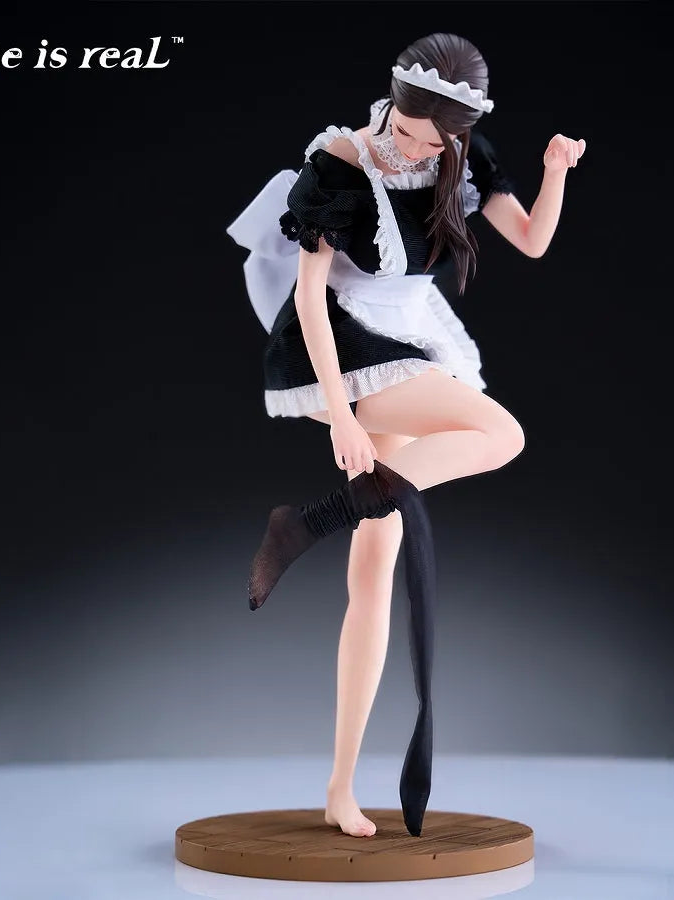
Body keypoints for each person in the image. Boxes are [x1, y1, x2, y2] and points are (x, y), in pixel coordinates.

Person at [226, 31, 585, 839]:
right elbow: (309, 300)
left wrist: (556, 172)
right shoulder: (341, 163)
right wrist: (342, 416)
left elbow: (532, 239)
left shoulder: (463, 152)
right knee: (501, 433)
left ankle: (339, 787)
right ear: (394, 100)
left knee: (374, 574)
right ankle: (315, 518)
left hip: (411, 334)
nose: (421, 149)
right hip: (340, 346)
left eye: (438, 140)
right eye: (413, 132)